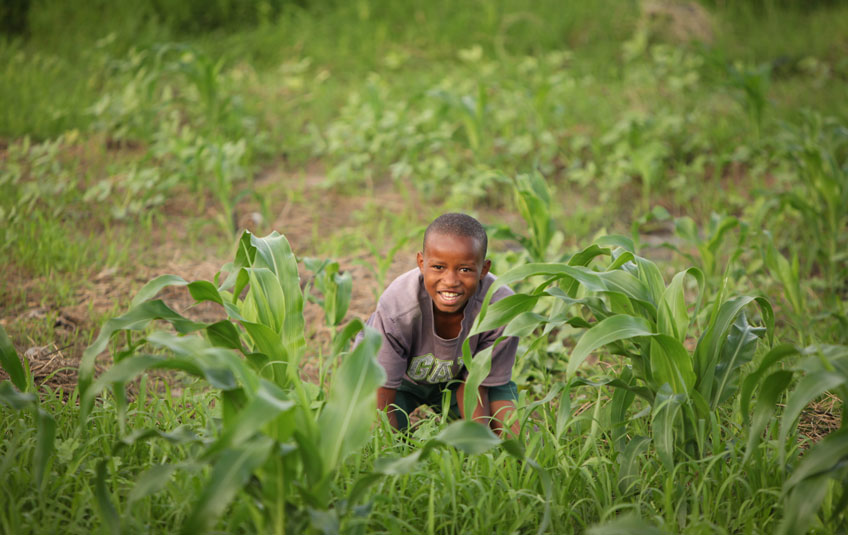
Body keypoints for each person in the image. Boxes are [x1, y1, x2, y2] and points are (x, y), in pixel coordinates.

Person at [359, 212, 520, 436]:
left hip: (459, 381)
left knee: (514, 432)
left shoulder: (499, 307)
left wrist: (480, 444)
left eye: (465, 269)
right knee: (368, 429)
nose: (451, 281)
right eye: (438, 267)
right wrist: (389, 445)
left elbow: (476, 385)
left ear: (483, 269)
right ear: (421, 263)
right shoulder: (398, 307)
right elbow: (382, 388)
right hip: (398, 381)